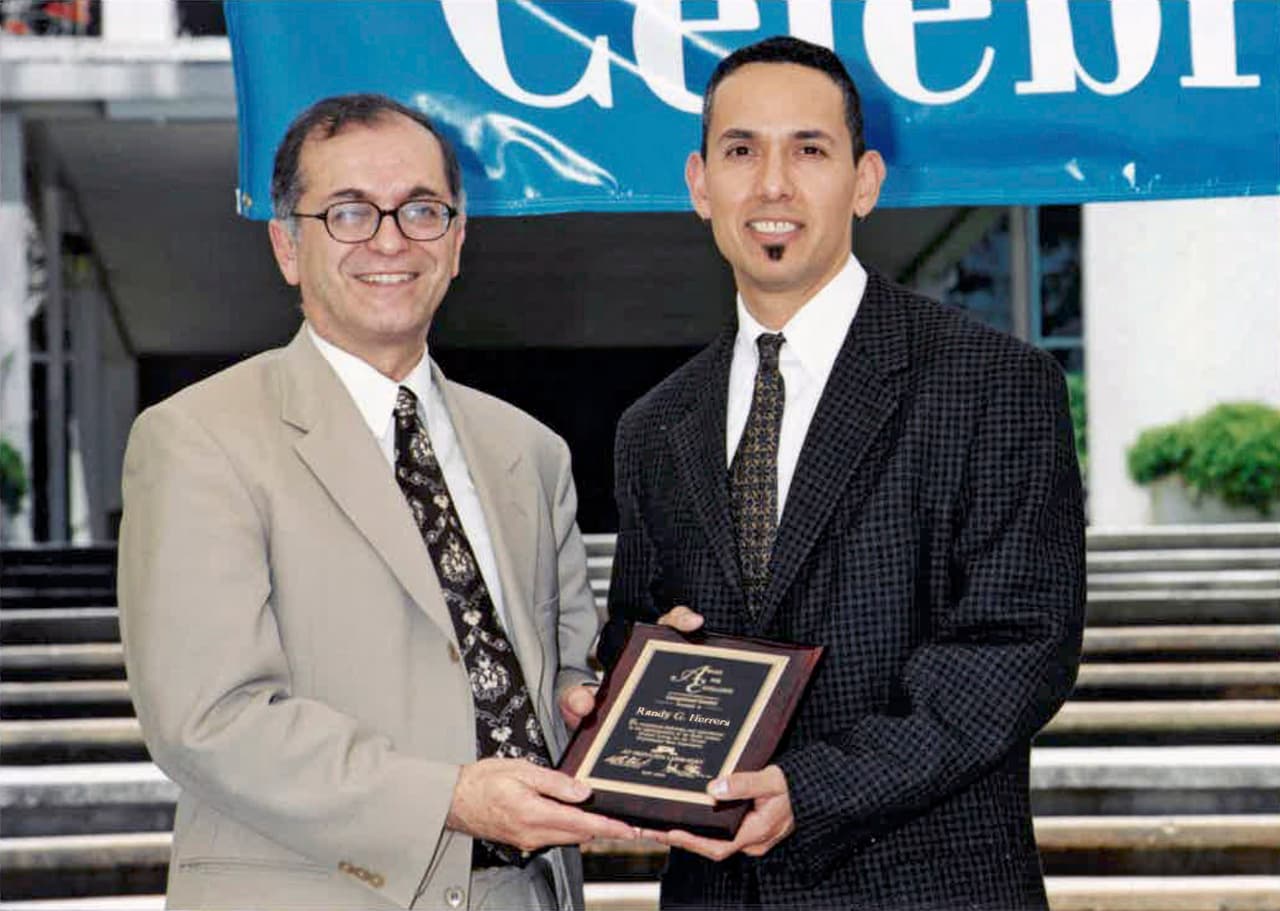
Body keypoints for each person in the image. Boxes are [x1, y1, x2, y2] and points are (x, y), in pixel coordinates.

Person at [598, 36, 1086, 910]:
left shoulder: (993, 383)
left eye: (809, 150)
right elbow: (639, 622)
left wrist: (814, 788)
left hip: (928, 888)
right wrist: (622, 692)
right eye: (741, 150)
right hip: (717, 892)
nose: (772, 185)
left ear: (864, 180)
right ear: (700, 183)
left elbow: (1018, 649)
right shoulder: (653, 426)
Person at [118, 93, 636, 911]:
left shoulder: (529, 452)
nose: (390, 240)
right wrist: (448, 798)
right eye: (349, 212)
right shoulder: (197, 439)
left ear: (458, 240)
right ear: (287, 244)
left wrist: (620, 704)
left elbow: (564, 675)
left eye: (422, 210)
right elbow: (210, 718)